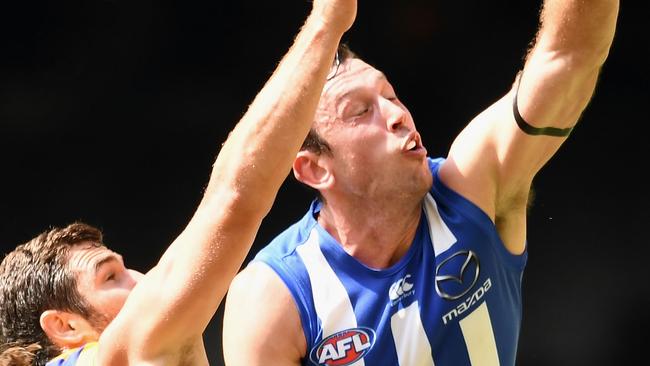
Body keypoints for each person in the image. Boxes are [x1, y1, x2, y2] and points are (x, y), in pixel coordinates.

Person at [222, 0, 620, 365]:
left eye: (391, 96)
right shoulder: (273, 297)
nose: (397, 115)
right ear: (314, 170)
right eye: (360, 112)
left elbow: (570, 57)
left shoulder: (473, 187)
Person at [0, 0, 356, 364]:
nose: (142, 280)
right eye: (110, 278)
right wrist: (327, 23)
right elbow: (234, 201)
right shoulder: (123, 351)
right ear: (65, 326)